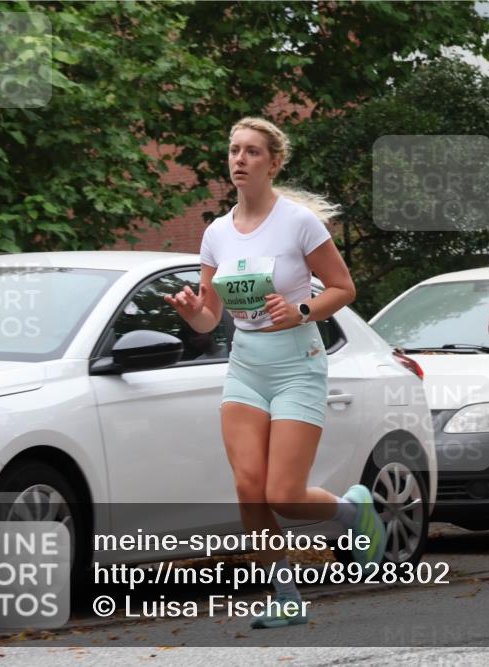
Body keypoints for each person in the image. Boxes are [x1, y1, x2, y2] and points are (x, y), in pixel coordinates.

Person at [165, 117, 385, 628]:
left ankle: (353, 512)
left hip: (297, 364)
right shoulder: (216, 233)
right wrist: (191, 311)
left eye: (251, 152)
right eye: (233, 150)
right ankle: (284, 594)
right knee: (248, 487)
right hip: (246, 366)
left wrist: (302, 310)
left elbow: (342, 288)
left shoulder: (298, 223)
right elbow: (210, 317)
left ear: (273, 162)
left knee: (283, 495)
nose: (239, 159)